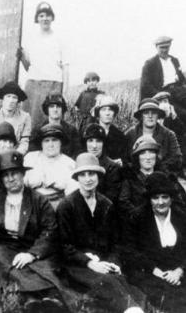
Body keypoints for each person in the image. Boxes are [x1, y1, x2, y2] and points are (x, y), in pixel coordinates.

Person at [0, 150, 73, 312]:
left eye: (14, 173)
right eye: (6, 175)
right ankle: (33, 298)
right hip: (6, 247)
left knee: (42, 269)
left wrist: (32, 254)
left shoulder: (39, 200)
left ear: (23, 175)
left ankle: (47, 298)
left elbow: (50, 231)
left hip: (34, 247)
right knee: (2, 262)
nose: (10, 179)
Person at [56, 153, 145, 313]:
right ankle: (131, 309)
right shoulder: (66, 206)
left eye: (92, 174)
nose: (88, 179)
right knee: (107, 282)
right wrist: (89, 263)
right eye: (83, 174)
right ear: (77, 178)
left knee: (121, 281)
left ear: (98, 176)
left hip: (104, 262)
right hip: (77, 266)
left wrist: (113, 262)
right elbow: (64, 246)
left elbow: (115, 243)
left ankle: (133, 308)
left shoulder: (107, 205)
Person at [122, 171, 186, 313]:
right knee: (166, 297)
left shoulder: (182, 216)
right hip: (149, 271)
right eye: (155, 198)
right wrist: (155, 270)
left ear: (171, 198)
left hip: (178, 270)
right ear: (149, 199)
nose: (161, 202)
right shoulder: (137, 218)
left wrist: (179, 270)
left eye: (165, 197)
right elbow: (129, 250)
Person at [21, 2, 69, 131]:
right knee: (31, 122)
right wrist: (21, 57)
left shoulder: (59, 39)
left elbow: (65, 67)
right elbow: (28, 66)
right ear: (37, 19)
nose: (45, 18)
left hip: (53, 84)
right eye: (41, 16)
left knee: (52, 123)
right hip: (33, 84)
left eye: (48, 15)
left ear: (52, 18)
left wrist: (64, 92)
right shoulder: (31, 39)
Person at [24, 124, 77, 209]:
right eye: (46, 141)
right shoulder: (30, 158)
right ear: (41, 143)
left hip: (58, 205)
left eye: (54, 140)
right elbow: (22, 185)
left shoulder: (69, 163)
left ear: (61, 142)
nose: (51, 144)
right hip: (31, 204)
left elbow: (72, 194)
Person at [125, 98, 182, 175]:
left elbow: (177, 159)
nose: (150, 116)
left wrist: (156, 170)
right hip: (135, 177)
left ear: (158, 115)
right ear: (141, 116)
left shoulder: (168, 135)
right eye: (146, 113)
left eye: (154, 113)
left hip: (161, 176)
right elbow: (124, 159)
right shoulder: (130, 134)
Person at [30, 92, 82, 158]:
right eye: (51, 107)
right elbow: (33, 152)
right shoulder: (38, 130)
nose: (55, 110)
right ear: (47, 109)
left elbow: (77, 152)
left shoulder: (71, 131)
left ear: (62, 109)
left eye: (58, 106)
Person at [82, 123, 122, 203]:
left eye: (98, 141)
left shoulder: (112, 168)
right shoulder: (79, 164)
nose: (94, 146)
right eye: (90, 141)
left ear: (103, 144)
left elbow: (111, 198)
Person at [0, 81, 31, 155]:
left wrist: (15, 156)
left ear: (18, 100)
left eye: (14, 97)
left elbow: (24, 142)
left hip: (17, 156)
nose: (11, 101)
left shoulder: (25, 117)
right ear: (3, 98)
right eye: (8, 96)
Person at [140, 36, 186, 104]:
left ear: (170, 46)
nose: (164, 50)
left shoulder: (174, 60)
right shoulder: (150, 63)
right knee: (179, 112)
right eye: (162, 47)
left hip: (179, 91)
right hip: (163, 92)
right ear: (156, 47)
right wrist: (159, 94)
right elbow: (146, 85)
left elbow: (182, 79)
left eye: (166, 47)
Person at [91, 95, 128, 165]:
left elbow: (125, 157)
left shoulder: (120, 136)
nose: (107, 113)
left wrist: (121, 162)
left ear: (114, 113)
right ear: (98, 113)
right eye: (103, 109)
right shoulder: (90, 132)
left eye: (110, 110)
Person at [153, 91, 186, 166]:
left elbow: (181, 130)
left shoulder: (171, 118)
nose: (166, 104)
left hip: (169, 152)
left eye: (167, 102)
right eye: (164, 102)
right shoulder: (153, 118)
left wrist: (174, 117)